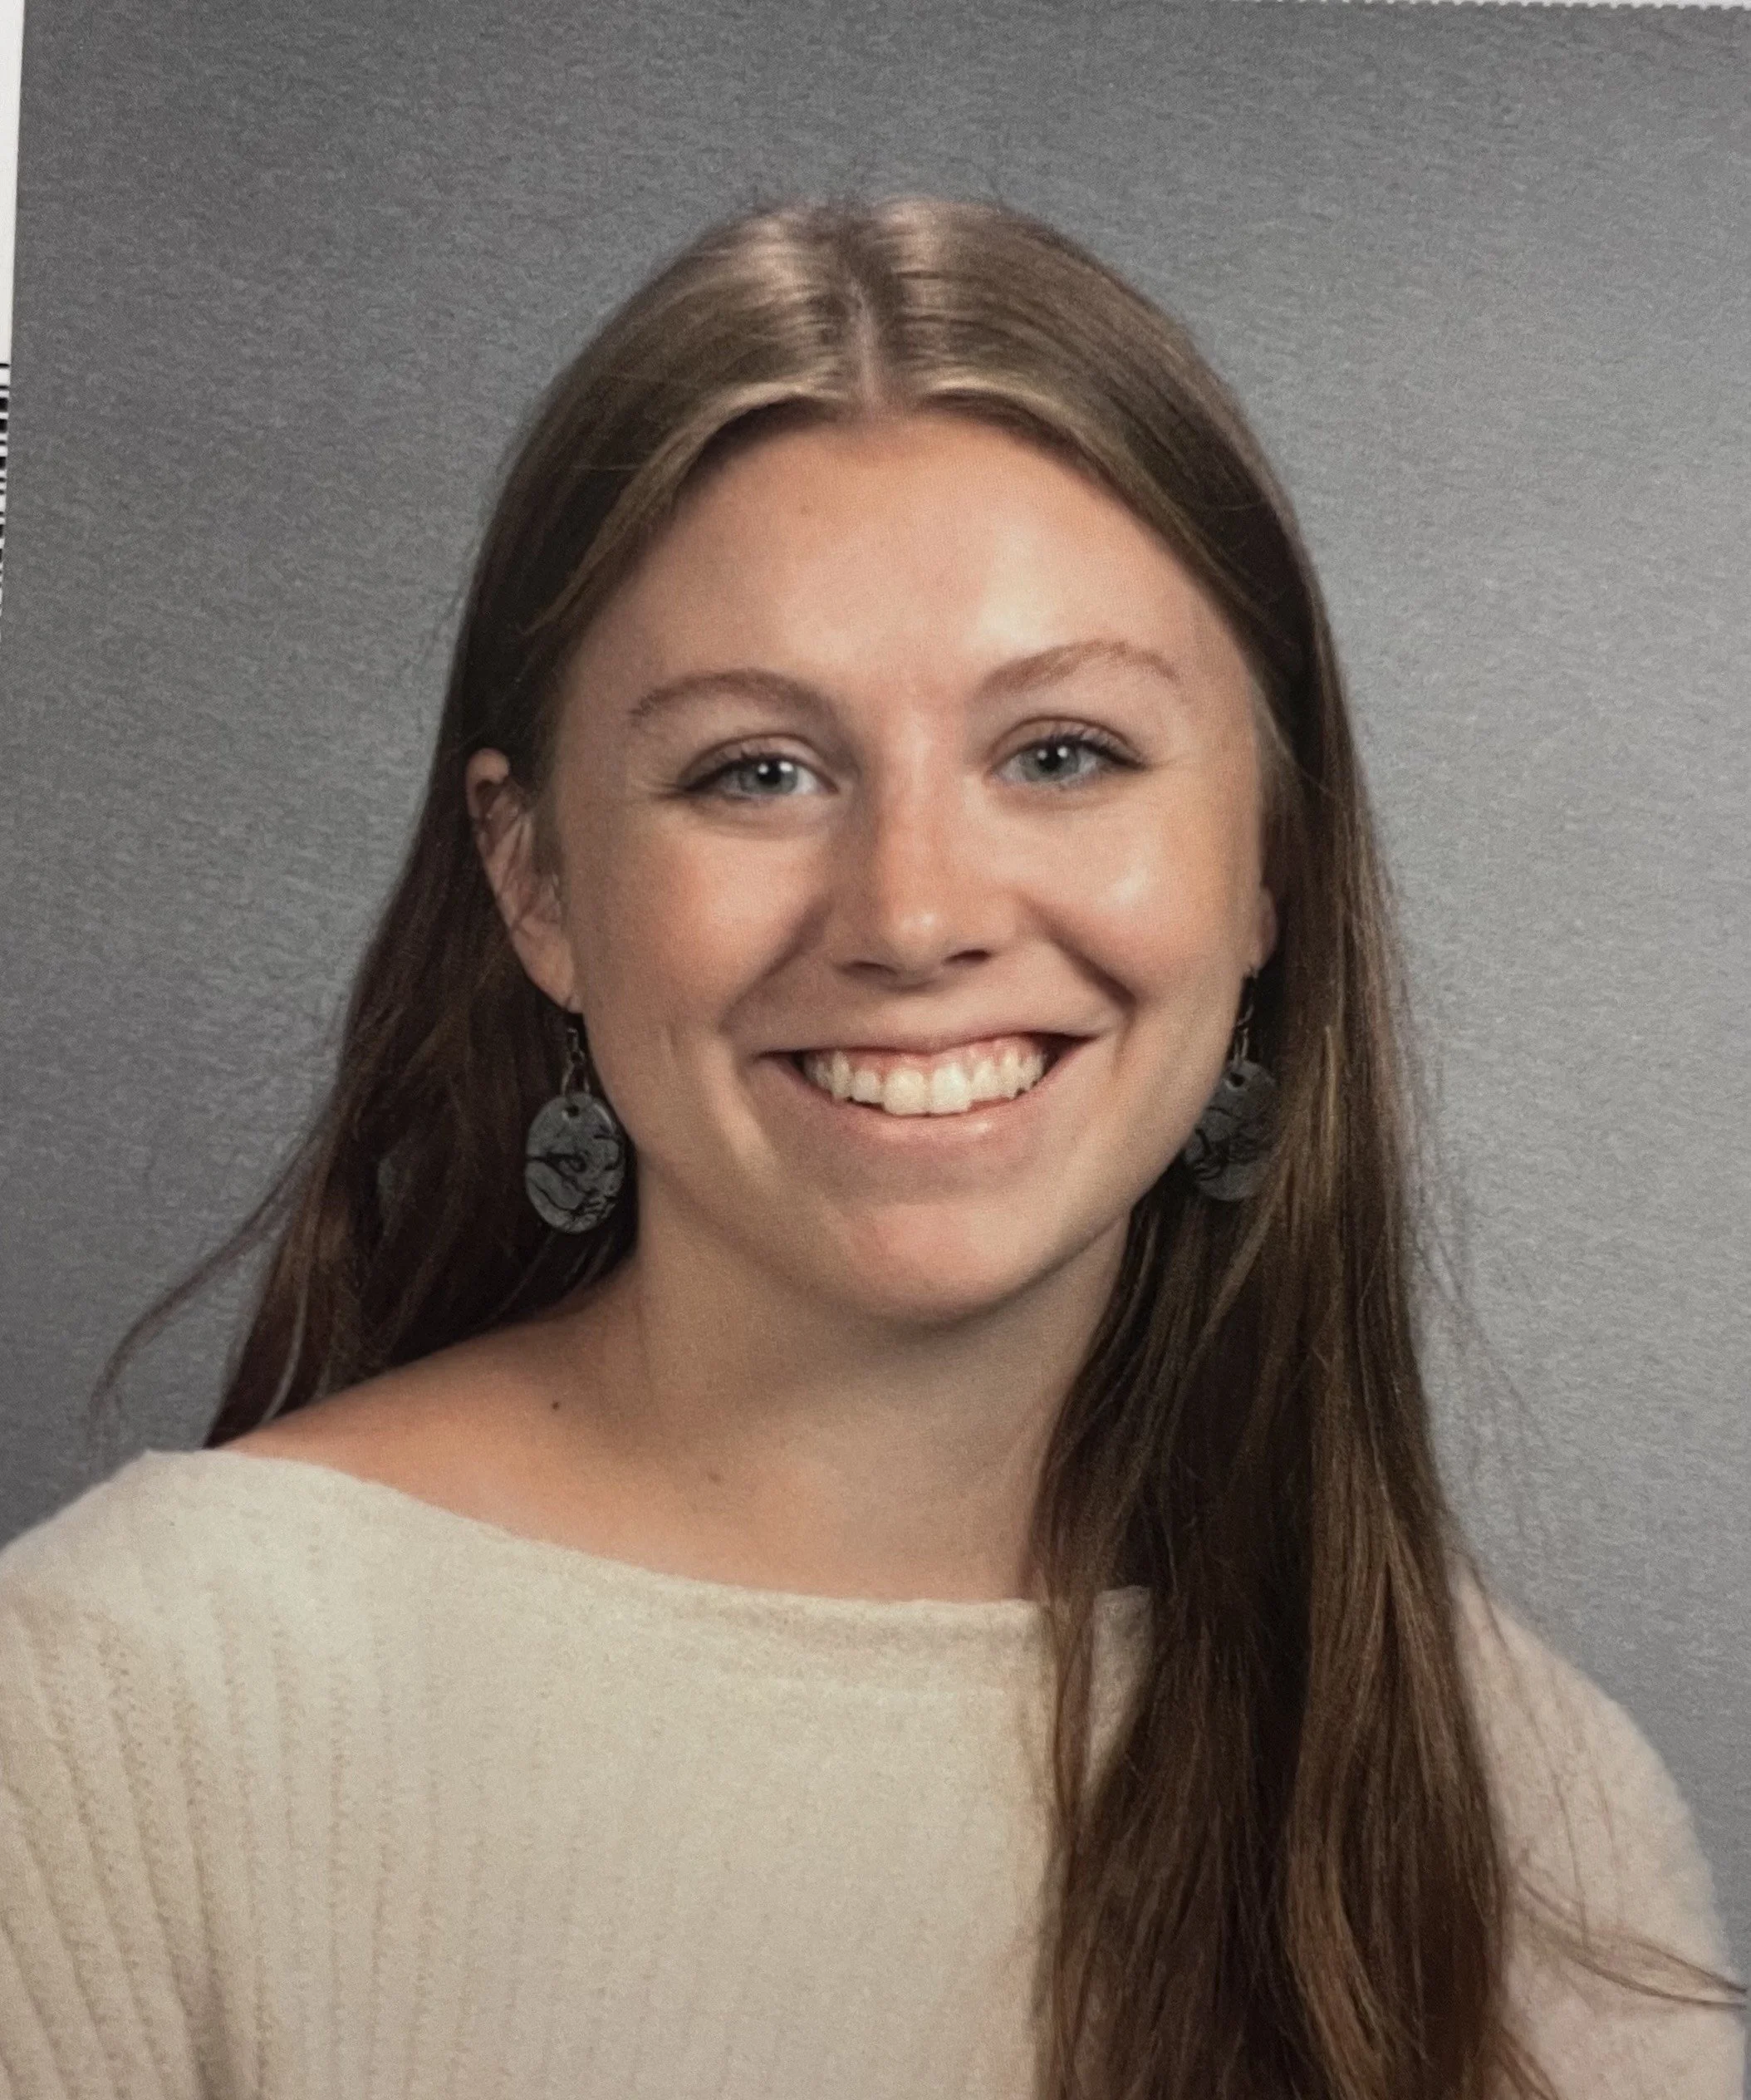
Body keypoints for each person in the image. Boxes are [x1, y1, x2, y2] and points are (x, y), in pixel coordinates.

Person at [0, 194, 1741, 2100]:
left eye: (1063, 752)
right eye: (759, 770)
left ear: (1270, 860)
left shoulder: (1527, 1815)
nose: (913, 913)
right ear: (537, 881)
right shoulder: (114, 1715)